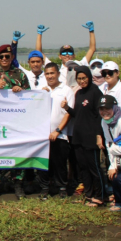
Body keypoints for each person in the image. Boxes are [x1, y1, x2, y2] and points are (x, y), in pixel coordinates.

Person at [0, 44, 30, 200]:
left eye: (7, 56)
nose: (4, 59)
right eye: (1, 56)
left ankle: (18, 184)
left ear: (12, 58)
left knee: (17, 151)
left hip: (15, 121)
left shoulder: (20, 75)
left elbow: (30, 97)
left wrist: (20, 91)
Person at [61, 66, 105, 206]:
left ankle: (100, 196)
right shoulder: (79, 93)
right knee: (83, 167)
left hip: (91, 136)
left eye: (84, 78)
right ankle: (89, 193)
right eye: (79, 79)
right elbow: (77, 115)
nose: (81, 81)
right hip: (78, 136)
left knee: (94, 168)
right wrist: (67, 108)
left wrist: (99, 135)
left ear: (89, 77)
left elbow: (100, 116)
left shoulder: (95, 93)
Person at [39, 62, 75, 199]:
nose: (50, 76)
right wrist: (41, 94)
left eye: (52, 73)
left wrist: (58, 130)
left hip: (60, 134)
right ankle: (44, 187)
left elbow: (69, 113)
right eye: (47, 74)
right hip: (42, 135)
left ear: (58, 74)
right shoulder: (41, 89)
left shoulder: (66, 90)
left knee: (60, 162)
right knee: (43, 162)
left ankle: (62, 187)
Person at [35, 22, 97, 86]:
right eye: (64, 53)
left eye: (70, 53)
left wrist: (91, 31)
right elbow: (39, 52)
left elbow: (92, 49)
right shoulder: (56, 68)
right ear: (60, 56)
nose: (67, 55)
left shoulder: (79, 65)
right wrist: (39, 34)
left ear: (74, 55)